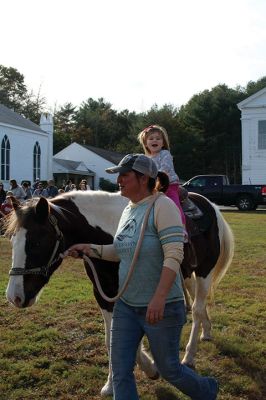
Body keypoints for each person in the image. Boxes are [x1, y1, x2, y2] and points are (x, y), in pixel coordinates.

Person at [63, 154, 218, 400]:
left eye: (124, 175)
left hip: (161, 307)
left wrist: (159, 297)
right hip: (126, 305)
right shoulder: (129, 209)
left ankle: (208, 390)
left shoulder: (163, 206)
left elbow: (174, 254)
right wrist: (90, 249)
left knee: (170, 370)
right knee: (121, 371)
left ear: (144, 178)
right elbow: (121, 250)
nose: (119, 181)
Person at [138, 124, 186, 231]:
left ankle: (182, 228)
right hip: (153, 188)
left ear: (163, 142)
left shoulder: (165, 154)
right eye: (151, 138)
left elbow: (166, 167)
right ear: (146, 143)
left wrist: (157, 176)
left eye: (158, 138)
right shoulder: (145, 158)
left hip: (169, 185)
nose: (155, 140)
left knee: (174, 205)